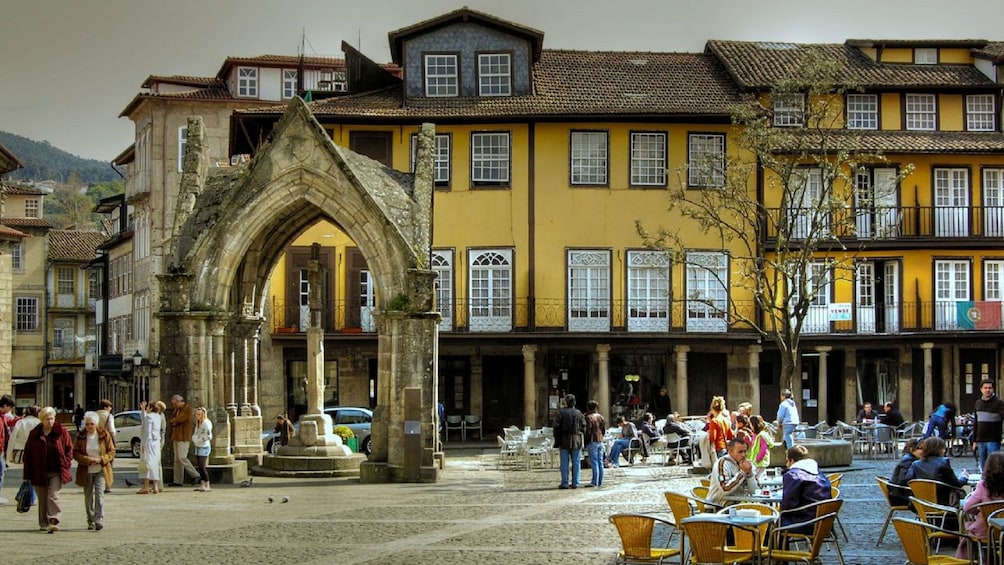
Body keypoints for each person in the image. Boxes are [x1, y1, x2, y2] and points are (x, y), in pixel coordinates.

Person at [23, 406, 73, 533]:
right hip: (39, 471)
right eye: (47, 419)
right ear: (42, 420)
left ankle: (54, 520)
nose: (50, 421)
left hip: (56, 470)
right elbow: (28, 455)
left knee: (53, 496)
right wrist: (26, 475)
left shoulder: (61, 432)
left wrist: (66, 463)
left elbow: (69, 449)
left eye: (51, 419)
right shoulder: (35, 433)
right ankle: (43, 523)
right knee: (43, 498)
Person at [72, 411, 115, 531]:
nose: (89, 426)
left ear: (96, 424)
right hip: (86, 470)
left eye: (91, 424)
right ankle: (90, 519)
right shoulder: (80, 436)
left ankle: (99, 519)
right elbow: (75, 453)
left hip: (101, 469)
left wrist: (101, 459)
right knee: (88, 497)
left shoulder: (104, 435)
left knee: (100, 495)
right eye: (87, 424)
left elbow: (111, 451)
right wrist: (87, 459)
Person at [958, 451, 1004, 559]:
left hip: (986, 531)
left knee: (969, 529)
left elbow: (967, 507)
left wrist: (981, 510)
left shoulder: (983, 485)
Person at [779, 445, 833, 532]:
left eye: (787, 461)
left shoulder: (793, 474)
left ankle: (771, 545)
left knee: (773, 522)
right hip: (824, 521)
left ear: (791, 460)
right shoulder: (817, 472)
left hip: (806, 522)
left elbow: (788, 504)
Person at [905, 436, 969, 506]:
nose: (944, 451)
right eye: (943, 448)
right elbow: (956, 483)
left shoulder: (915, 464)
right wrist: (964, 476)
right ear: (939, 449)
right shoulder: (943, 462)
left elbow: (909, 480)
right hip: (943, 502)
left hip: (921, 503)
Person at [707, 438, 759, 507]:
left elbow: (756, 491)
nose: (743, 455)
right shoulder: (722, 463)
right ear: (730, 451)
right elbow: (724, 489)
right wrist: (742, 473)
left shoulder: (748, 464)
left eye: (745, 451)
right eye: (740, 452)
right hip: (718, 506)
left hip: (739, 505)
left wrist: (750, 475)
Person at [552, 393, 585, 489]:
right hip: (576, 439)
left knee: (564, 463)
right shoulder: (579, 413)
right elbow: (584, 426)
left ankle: (565, 482)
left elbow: (556, 427)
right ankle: (575, 482)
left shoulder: (561, 413)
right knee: (576, 462)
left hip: (564, 440)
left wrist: (557, 439)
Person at [168, 394, 200, 486]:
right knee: (177, 460)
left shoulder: (187, 409)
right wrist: (174, 420)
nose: (174, 406)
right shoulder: (177, 410)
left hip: (183, 436)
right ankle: (178, 480)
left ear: (179, 402)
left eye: (175, 404)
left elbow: (180, 419)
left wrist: (174, 420)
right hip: (176, 436)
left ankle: (195, 475)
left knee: (182, 457)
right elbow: (171, 420)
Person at [974, 379, 1004, 472]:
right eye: (985, 388)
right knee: (983, 466)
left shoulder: (999, 403)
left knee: (994, 465)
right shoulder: (978, 403)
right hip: (980, 440)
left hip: (993, 439)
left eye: (990, 388)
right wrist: (974, 440)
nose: (988, 390)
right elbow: (976, 422)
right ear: (981, 389)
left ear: (993, 389)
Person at [138, 400, 166, 494]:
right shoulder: (157, 416)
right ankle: (155, 486)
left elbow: (148, 432)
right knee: (155, 463)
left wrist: (145, 445)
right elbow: (144, 420)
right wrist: (142, 410)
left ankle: (146, 486)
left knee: (147, 463)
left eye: (147, 407)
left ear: (150, 408)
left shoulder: (149, 417)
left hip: (149, 443)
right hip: (156, 442)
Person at [889, 438, 924, 507]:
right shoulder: (908, 460)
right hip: (901, 496)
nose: (924, 451)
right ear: (912, 449)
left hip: (900, 494)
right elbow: (903, 480)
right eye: (920, 449)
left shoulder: (909, 458)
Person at [95, 399, 117, 493]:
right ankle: (108, 485)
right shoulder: (109, 416)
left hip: (95, 440)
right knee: (108, 463)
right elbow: (112, 430)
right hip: (106, 441)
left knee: (97, 462)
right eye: (109, 407)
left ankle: (97, 484)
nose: (110, 409)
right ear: (105, 407)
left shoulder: (94, 415)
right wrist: (114, 441)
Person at [583, 400, 606, 488]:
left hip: (592, 440)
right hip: (600, 440)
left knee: (594, 461)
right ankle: (600, 480)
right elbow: (603, 429)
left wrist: (585, 441)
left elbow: (588, 431)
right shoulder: (600, 417)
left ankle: (594, 481)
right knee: (600, 461)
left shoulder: (589, 417)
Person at [191, 406, 213, 492]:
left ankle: (208, 484)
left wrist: (199, 440)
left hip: (204, 446)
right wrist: (194, 439)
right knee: (199, 467)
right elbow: (196, 433)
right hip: (198, 446)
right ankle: (202, 484)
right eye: (196, 414)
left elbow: (208, 436)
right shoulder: (198, 423)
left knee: (202, 466)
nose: (197, 416)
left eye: (199, 414)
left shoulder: (206, 423)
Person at [0, 394, 14, 501]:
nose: (10, 410)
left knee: (2, 471)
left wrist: (18, 420)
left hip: (1, 450)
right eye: (10, 407)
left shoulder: (2, 416)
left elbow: (8, 423)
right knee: (1, 472)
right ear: (5, 405)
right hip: (0, 449)